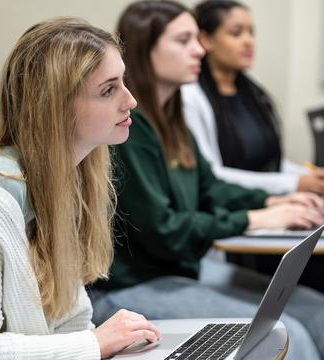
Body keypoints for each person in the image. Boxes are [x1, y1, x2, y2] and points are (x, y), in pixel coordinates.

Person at [90, 2, 324, 359]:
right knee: (288, 335)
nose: (199, 49)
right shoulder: (129, 130)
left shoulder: (172, 119)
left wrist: (271, 202)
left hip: (180, 270)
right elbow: (163, 230)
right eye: (184, 40)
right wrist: (254, 218)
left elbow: (210, 187)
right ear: (144, 49)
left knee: (316, 310)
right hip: (130, 285)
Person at [0, 17, 161, 359]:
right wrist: (95, 344)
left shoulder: (66, 178)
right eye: (108, 89)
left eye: (123, 82)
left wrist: (99, 343)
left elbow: (71, 321)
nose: (131, 101)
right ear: (55, 107)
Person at [181, 0, 324, 195]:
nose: (248, 41)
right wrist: (293, 183)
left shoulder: (251, 85)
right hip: (233, 207)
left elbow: (267, 162)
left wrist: (308, 175)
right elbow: (212, 175)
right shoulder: (190, 96)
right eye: (236, 32)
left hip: (272, 202)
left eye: (251, 33)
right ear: (205, 39)